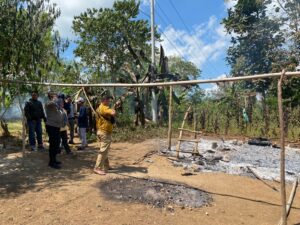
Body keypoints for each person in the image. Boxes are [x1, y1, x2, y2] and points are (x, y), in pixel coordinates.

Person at [94, 96, 116, 175]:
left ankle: (106, 166)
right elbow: (113, 113)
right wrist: (112, 110)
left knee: (104, 150)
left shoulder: (99, 108)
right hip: (104, 132)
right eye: (108, 100)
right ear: (104, 100)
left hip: (100, 131)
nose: (109, 101)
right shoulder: (104, 107)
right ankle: (97, 168)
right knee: (103, 151)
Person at [45, 91, 63, 169]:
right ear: (51, 96)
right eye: (55, 96)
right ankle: (51, 162)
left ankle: (54, 160)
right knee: (53, 144)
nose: (57, 97)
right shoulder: (49, 104)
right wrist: (54, 100)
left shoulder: (55, 105)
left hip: (56, 126)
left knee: (56, 144)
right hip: (51, 126)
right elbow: (50, 104)